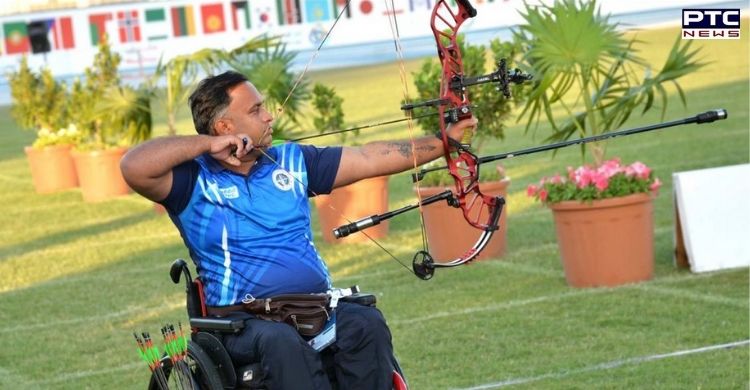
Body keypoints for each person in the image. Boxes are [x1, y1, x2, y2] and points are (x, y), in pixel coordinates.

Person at [120, 70, 476, 389]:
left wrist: (445, 141)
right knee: (280, 343)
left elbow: (369, 157)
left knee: (365, 324)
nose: (269, 115)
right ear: (225, 128)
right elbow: (133, 166)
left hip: (314, 308)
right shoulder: (192, 180)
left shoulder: (290, 161)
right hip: (241, 323)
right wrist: (204, 146)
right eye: (256, 109)